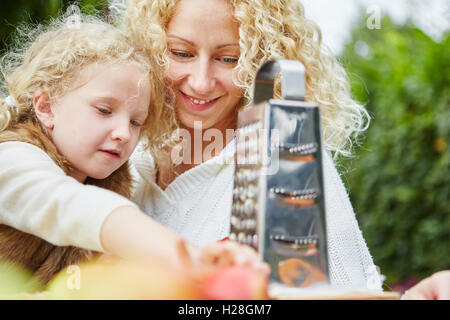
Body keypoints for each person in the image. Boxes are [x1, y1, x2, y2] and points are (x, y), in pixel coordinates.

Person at [115, 0, 382, 290]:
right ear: (150, 50)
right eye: (182, 53)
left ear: (260, 61)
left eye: (228, 59)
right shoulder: (123, 152)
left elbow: (346, 292)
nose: (201, 82)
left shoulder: (287, 160)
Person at [0, 11, 267, 288]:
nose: (124, 133)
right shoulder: (12, 159)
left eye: (135, 121)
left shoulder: (112, 179)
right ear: (45, 107)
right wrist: (191, 260)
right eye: (104, 110)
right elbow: (73, 206)